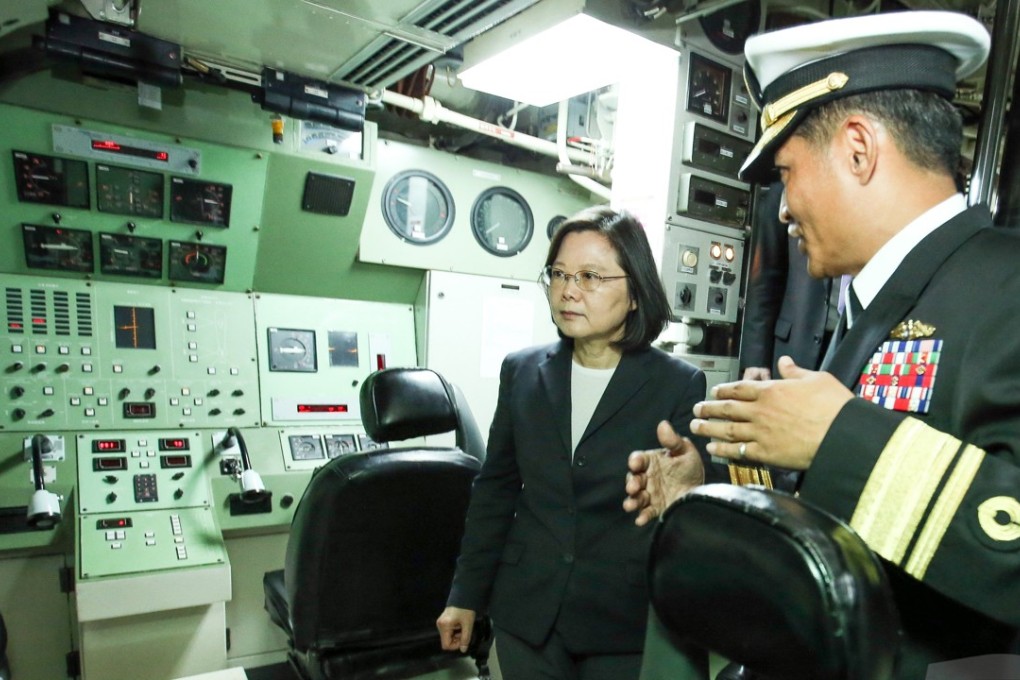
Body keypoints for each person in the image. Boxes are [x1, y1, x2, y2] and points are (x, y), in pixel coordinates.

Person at [624, 10, 1020, 678]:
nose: (782, 209)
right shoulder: (881, 304)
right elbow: (846, 505)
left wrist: (838, 435)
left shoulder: (1004, 284)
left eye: (787, 172)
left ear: (859, 150)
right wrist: (718, 490)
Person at [437, 206, 716, 680]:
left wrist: (702, 479)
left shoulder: (678, 384)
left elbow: (692, 504)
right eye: (560, 274)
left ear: (634, 293)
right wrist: (465, 596)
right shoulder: (522, 371)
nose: (568, 290)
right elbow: (496, 489)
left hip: (621, 620)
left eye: (591, 277)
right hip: (527, 612)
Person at [739, 180, 843, 381]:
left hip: (851, 341)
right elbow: (765, 276)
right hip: (794, 344)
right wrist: (756, 357)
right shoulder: (784, 187)